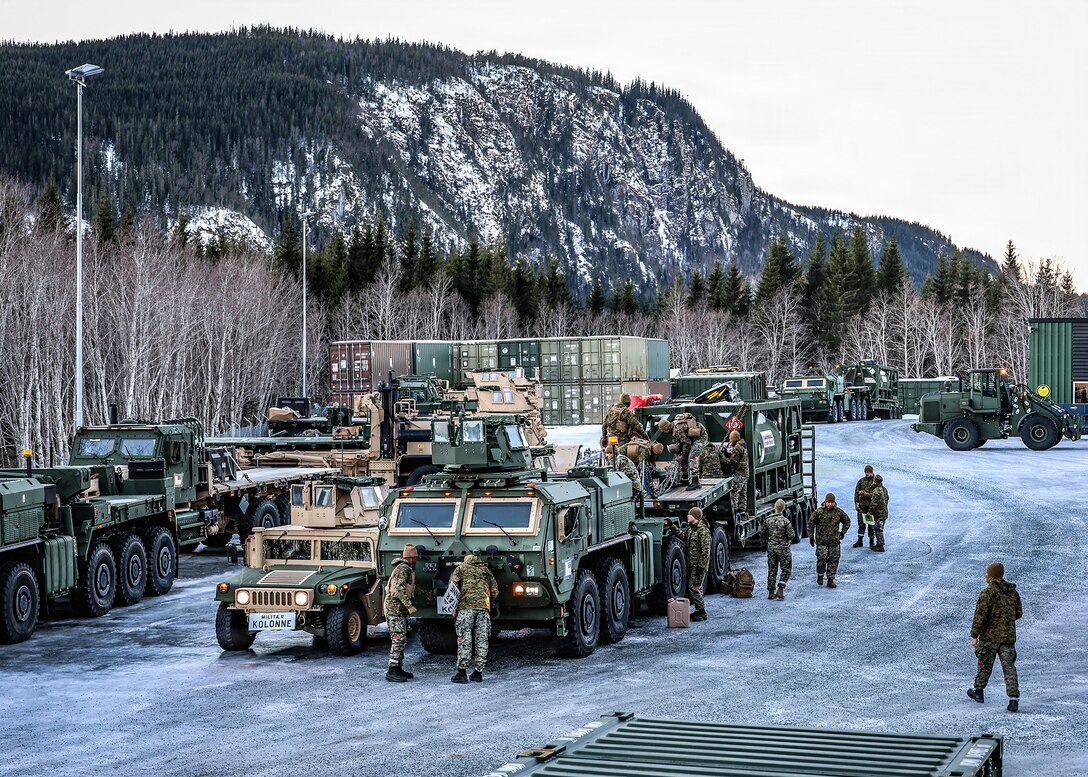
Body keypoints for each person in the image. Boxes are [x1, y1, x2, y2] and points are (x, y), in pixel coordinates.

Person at [969, 562, 1023, 712]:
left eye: (987, 573)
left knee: (985, 664)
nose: (985, 575)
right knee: (1009, 668)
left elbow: (980, 617)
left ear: (992, 575)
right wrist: (1005, 620)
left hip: (989, 637)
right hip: (1007, 638)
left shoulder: (987, 593)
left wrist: (974, 635)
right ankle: (1013, 700)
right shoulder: (1012, 593)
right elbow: (1018, 613)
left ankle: (978, 692)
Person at [449, 554, 499, 684]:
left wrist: (453, 608)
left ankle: (462, 673)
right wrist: (491, 604)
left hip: (466, 609)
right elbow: (495, 590)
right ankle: (478, 672)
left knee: (464, 639)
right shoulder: (485, 570)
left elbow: (452, 589)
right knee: (482, 640)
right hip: (483, 609)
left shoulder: (461, 569)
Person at [668, 507, 711, 621]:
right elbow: (683, 536)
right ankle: (698, 610)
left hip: (698, 566)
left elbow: (706, 551)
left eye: (690, 515)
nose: (688, 516)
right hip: (692, 564)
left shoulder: (703, 531)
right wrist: (672, 526)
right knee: (696, 588)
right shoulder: (691, 529)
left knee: (694, 588)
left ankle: (702, 612)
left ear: (695, 517)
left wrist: (701, 566)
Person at [384, 544, 418, 682]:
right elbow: (398, 589)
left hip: (398, 610)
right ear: (411, 558)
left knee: (401, 639)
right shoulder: (403, 569)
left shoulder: (405, 568)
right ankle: (392, 670)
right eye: (415, 557)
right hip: (394, 609)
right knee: (398, 639)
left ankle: (398, 668)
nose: (416, 560)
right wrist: (409, 606)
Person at [809, 493, 850, 588]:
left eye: (832, 502)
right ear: (825, 502)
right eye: (828, 502)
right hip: (822, 541)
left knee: (834, 560)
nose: (830, 504)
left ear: (834, 503)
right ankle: (820, 574)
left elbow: (847, 521)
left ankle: (830, 579)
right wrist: (811, 536)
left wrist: (842, 532)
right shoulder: (819, 512)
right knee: (822, 559)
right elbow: (811, 523)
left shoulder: (838, 512)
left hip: (834, 541)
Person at [762, 498, 796, 599]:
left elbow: (763, 534)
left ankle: (771, 592)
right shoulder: (786, 521)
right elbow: (791, 535)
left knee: (772, 570)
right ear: (783, 508)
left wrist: (763, 546)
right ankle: (780, 589)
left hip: (771, 549)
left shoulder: (767, 520)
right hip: (783, 549)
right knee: (786, 569)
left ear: (775, 507)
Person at [724, 430, 748, 515]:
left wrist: (723, 458)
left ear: (734, 439)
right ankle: (742, 510)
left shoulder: (737, 447)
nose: (730, 441)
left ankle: (734, 509)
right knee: (742, 492)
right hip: (744, 473)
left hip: (739, 473)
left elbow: (733, 461)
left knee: (734, 491)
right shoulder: (742, 445)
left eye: (730, 439)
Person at [852, 465, 877, 548]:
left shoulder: (875, 482)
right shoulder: (861, 481)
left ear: (872, 472)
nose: (867, 474)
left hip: (870, 508)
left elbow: (876, 495)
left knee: (871, 525)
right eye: (866, 472)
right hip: (862, 506)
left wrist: (865, 494)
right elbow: (856, 491)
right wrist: (856, 502)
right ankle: (860, 541)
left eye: (868, 472)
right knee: (861, 525)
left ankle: (871, 542)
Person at [870, 474, 889, 552]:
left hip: (878, 514)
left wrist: (869, 512)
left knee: (878, 529)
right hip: (884, 512)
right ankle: (878, 544)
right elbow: (887, 499)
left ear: (876, 481)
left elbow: (873, 504)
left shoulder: (876, 491)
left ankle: (880, 545)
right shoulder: (884, 489)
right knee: (880, 528)